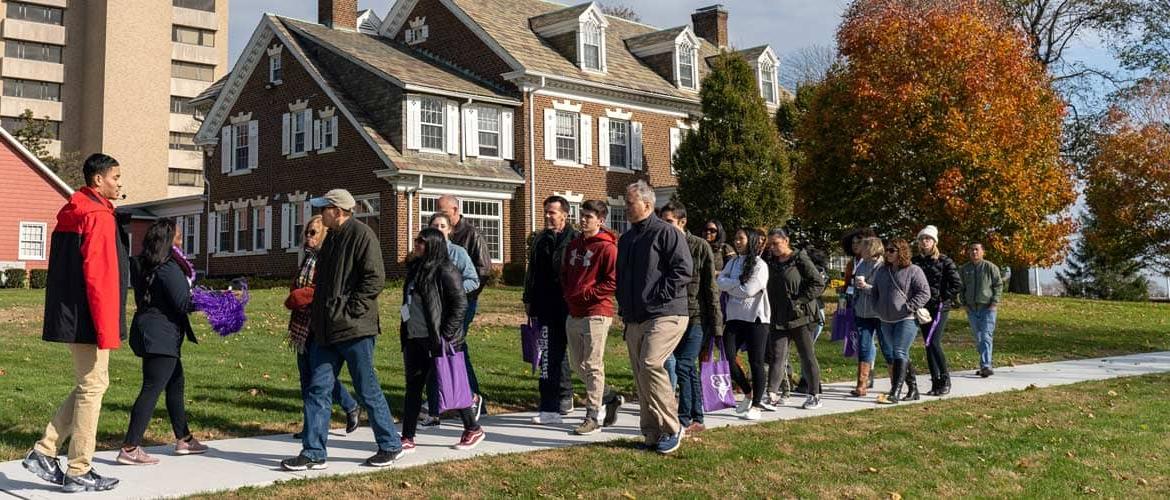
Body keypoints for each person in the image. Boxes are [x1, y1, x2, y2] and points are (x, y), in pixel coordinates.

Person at [24, 153, 128, 492]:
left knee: (90, 384)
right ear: (98, 180)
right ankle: (79, 467)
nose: (118, 183)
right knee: (93, 388)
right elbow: (99, 276)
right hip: (90, 317)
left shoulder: (76, 211)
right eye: (115, 177)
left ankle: (44, 450)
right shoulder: (97, 216)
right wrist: (105, 326)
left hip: (75, 313)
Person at [281, 189, 404, 471]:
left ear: (337, 211)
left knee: (366, 388)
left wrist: (349, 310)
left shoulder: (362, 236)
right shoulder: (332, 240)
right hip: (326, 330)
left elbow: (375, 279)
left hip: (355, 330)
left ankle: (390, 445)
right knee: (317, 388)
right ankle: (313, 452)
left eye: (324, 208)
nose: (321, 213)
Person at [116, 218, 208, 465]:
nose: (181, 240)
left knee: (175, 385)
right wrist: (215, 302)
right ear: (169, 240)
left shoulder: (145, 265)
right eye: (178, 237)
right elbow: (184, 303)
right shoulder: (168, 268)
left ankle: (185, 439)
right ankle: (130, 446)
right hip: (161, 337)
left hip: (150, 332)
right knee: (151, 389)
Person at [616, 180, 692, 454]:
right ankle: (651, 433)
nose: (626, 208)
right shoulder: (626, 239)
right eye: (625, 203)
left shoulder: (666, 233)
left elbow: (683, 270)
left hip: (667, 312)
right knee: (641, 375)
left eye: (630, 203)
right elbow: (622, 279)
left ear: (647, 205)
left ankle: (673, 427)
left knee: (650, 363)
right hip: (635, 317)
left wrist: (658, 295)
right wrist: (624, 307)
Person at [399, 228, 485, 452]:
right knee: (414, 386)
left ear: (434, 245)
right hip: (414, 337)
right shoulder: (416, 269)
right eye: (416, 240)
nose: (416, 244)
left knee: (450, 383)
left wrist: (446, 334)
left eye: (421, 241)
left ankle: (472, 428)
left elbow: (459, 305)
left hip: (438, 339)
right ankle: (407, 436)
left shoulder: (447, 270)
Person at [284, 216, 360, 440]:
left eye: (313, 233)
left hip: (320, 326)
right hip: (301, 327)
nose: (308, 237)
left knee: (320, 378)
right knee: (307, 378)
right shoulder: (308, 259)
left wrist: (296, 297)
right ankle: (313, 427)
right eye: (307, 232)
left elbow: (320, 289)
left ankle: (349, 406)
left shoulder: (328, 259)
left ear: (324, 234)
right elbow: (298, 284)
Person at [560, 200, 622, 435]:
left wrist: (588, 294)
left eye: (589, 216)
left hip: (597, 312)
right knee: (578, 364)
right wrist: (570, 294)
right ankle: (609, 396)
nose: (583, 219)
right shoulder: (574, 245)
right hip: (573, 311)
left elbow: (612, 280)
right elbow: (565, 274)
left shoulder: (607, 248)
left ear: (601, 221)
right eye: (582, 215)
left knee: (594, 364)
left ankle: (593, 415)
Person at [659, 202, 721, 433]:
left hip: (696, 315)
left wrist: (716, 324)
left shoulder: (699, 246)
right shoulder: (661, 246)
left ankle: (685, 417)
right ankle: (697, 417)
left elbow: (710, 288)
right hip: (671, 315)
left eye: (669, 222)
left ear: (682, 222)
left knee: (684, 365)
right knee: (685, 368)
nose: (665, 227)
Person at [419, 212, 481, 428]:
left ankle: (470, 400)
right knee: (431, 363)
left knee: (452, 358)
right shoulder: (423, 256)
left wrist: (453, 293)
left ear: (450, 230)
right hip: (429, 318)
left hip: (452, 316)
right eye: (434, 225)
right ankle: (435, 410)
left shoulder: (457, 253)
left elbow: (474, 280)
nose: (438, 228)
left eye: (442, 225)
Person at [524, 196, 580, 425]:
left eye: (552, 212)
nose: (547, 216)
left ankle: (605, 397)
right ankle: (550, 408)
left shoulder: (575, 239)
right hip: (545, 306)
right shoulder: (540, 240)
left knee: (580, 359)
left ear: (564, 215)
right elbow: (532, 272)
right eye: (546, 211)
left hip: (570, 306)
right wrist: (528, 298)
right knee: (548, 356)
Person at [436, 194, 491, 411]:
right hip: (442, 304)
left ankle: (471, 398)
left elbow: (483, 270)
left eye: (444, 211)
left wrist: (461, 296)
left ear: (456, 210)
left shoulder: (471, 235)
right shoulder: (438, 235)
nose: (440, 214)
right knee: (451, 347)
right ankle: (455, 397)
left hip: (464, 302)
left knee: (455, 346)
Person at [860, 238, 930, 404]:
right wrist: (876, 307)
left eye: (892, 250)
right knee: (900, 354)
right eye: (887, 250)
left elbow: (924, 292)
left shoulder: (914, 270)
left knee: (899, 351)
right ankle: (913, 389)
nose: (888, 253)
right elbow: (874, 291)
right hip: (885, 318)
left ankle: (895, 391)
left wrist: (909, 307)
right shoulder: (883, 271)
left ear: (901, 252)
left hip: (906, 318)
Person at [762, 228, 826, 410]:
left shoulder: (799, 259)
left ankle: (814, 394)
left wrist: (800, 301)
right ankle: (772, 393)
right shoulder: (770, 261)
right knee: (777, 355)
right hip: (778, 316)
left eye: (776, 243)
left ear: (786, 240)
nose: (773, 247)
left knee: (806, 355)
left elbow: (818, 283)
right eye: (770, 244)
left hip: (801, 316)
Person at [717, 227, 771, 420]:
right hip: (734, 318)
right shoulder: (732, 262)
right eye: (736, 238)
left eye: (741, 238)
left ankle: (756, 404)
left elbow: (749, 290)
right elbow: (719, 281)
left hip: (755, 319)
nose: (737, 242)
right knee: (726, 357)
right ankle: (747, 392)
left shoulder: (760, 265)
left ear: (752, 240)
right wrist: (735, 283)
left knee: (756, 362)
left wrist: (731, 285)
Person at [911, 225, 962, 395]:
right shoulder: (916, 261)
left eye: (928, 239)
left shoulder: (944, 261)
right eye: (922, 239)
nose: (925, 242)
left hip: (940, 307)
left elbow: (957, 284)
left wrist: (942, 297)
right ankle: (935, 381)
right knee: (927, 344)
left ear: (934, 242)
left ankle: (945, 379)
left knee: (933, 342)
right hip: (922, 308)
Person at [960, 242, 1003, 377]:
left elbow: (998, 285)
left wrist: (994, 302)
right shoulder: (964, 269)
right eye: (972, 250)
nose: (974, 252)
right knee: (979, 338)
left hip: (987, 308)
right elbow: (961, 287)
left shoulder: (990, 267)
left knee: (985, 336)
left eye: (977, 250)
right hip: (972, 309)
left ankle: (986, 365)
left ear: (983, 251)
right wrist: (964, 303)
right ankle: (984, 364)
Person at [849, 237, 884, 397]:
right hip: (861, 312)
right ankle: (861, 385)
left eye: (862, 247)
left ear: (871, 249)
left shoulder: (883, 266)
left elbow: (884, 290)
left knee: (888, 348)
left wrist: (867, 287)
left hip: (879, 313)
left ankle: (898, 383)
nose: (858, 249)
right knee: (864, 347)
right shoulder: (861, 264)